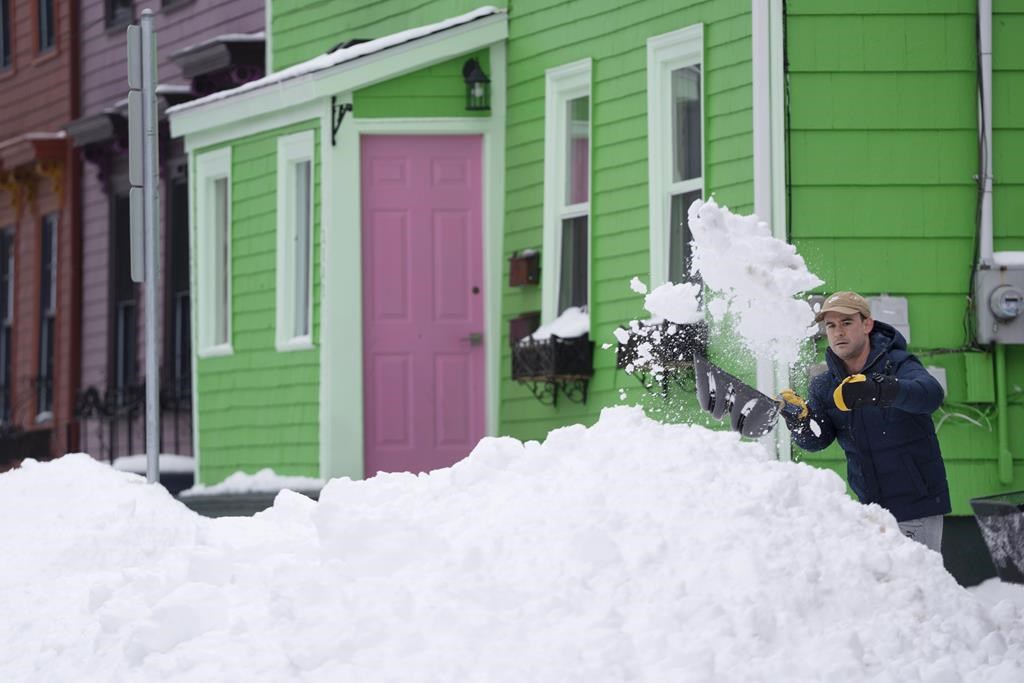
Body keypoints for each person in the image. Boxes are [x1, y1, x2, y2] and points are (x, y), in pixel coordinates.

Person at [777, 291, 951, 552]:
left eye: (846, 322)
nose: (838, 332)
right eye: (831, 326)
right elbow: (818, 440)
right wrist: (800, 421)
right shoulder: (825, 384)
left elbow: (930, 395)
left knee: (915, 577)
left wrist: (879, 390)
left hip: (917, 506)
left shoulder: (898, 365)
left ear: (867, 324)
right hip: (869, 511)